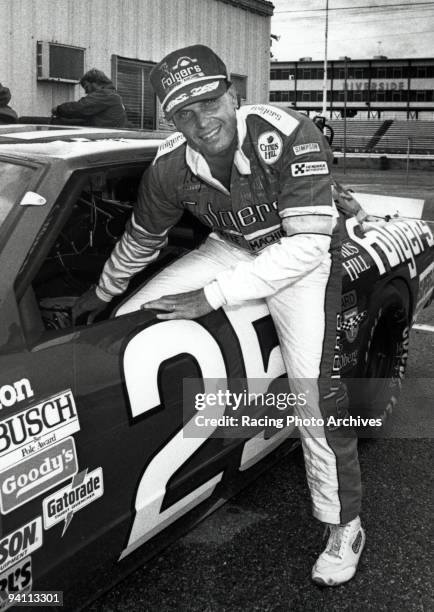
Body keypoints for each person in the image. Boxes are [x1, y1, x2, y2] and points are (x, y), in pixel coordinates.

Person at [72, 44, 365, 586]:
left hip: (302, 258)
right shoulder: (169, 165)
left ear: (233, 96)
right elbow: (142, 237)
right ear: (172, 119)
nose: (201, 121)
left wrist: (212, 297)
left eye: (209, 102)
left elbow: (306, 245)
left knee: (313, 399)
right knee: (133, 318)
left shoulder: (289, 131)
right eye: (184, 112)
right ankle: (141, 477)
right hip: (231, 246)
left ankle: (343, 524)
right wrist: (103, 290)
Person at [52, 68, 127, 128]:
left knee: (53, 122)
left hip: (101, 138)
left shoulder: (106, 94)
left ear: (95, 83)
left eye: (86, 87)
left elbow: (80, 108)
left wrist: (59, 109)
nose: (86, 92)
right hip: (107, 135)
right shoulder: (113, 95)